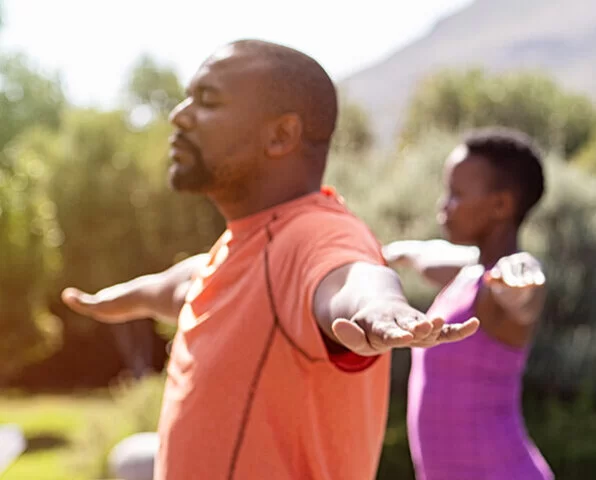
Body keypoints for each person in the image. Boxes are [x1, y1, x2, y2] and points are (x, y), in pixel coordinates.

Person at [58, 40, 478, 480]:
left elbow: (353, 278)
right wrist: (118, 299)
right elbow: (187, 285)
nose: (178, 115)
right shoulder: (246, 245)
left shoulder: (316, 233)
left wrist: (381, 310)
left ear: (280, 136)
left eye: (207, 101)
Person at [384, 128, 553, 480]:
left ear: (501, 206)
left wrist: (522, 283)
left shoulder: (499, 287)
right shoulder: (468, 272)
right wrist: (390, 252)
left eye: (456, 195)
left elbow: (526, 294)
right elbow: (427, 254)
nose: (444, 205)